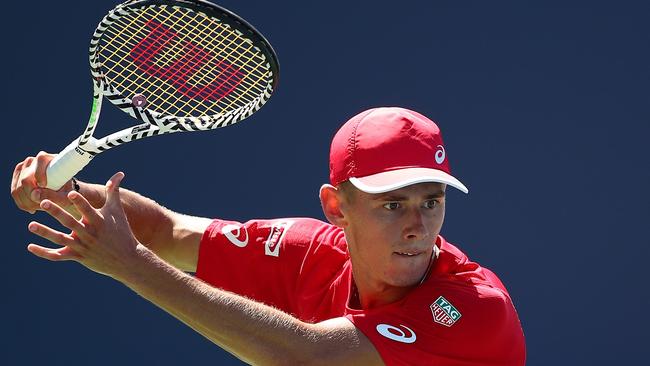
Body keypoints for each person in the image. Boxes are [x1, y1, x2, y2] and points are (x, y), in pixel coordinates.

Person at [11, 107, 526, 365]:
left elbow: (304, 358)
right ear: (335, 207)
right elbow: (167, 230)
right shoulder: (307, 254)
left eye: (431, 202)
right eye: (392, 205)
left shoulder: (477, 310)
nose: (418, 226)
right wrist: (67, 190)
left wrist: (132, 266)